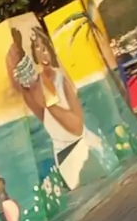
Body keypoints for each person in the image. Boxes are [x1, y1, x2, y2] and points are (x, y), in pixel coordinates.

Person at [6, 26, 116, 191]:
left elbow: (77, 127)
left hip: (84, 147)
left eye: (45, 48)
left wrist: (49, 105)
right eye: (37, 48)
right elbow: (40, 111)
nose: (43, 53)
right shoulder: (35, 86)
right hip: (63, 155)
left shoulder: (61, 79)